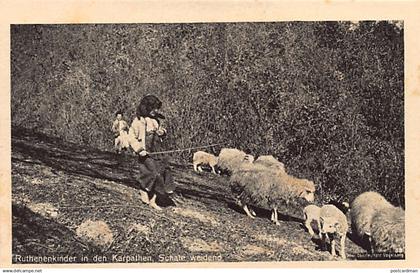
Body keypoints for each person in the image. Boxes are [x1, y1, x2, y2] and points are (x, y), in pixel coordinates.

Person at [128, 94, 175, 210]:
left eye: (157, 108)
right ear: (147, 108)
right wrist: (139, 149)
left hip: (158, 151)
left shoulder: (156, 120)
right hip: (145, 153)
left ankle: (153, 200)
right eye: (154, 108)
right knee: (152, 173)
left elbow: (161, 135)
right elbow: (131, 137)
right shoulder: (138, 121)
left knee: (163, 172)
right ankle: (143, 190)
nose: (156, 111)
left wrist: (162, 132)